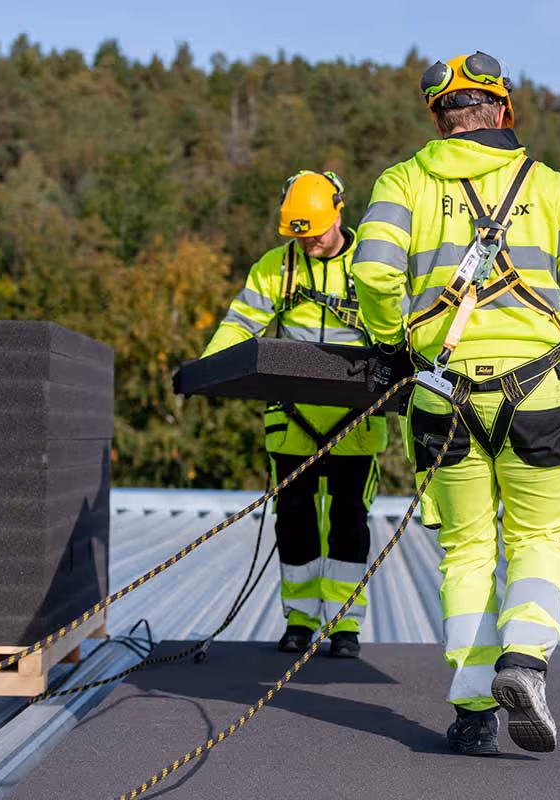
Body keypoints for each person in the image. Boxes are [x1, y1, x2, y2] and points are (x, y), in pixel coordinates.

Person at [351, 52, 560, 754]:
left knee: (466, 551)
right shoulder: (554, 189)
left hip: (443, 397)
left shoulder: (403, 182)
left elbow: (374, 269)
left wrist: (386, 346)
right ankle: (524, 662)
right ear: (502, 111)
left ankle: (473, 714)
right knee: (534, 541)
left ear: (438, 116)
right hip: (538, 392)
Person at [202, 170, 387, 659]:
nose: (308, 243)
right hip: (292, 423)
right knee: (295, 520)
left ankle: (345, 626)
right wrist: (207, 370)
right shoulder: (276, 268)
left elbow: (399, 329)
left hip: (356, 423)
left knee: (350, 521)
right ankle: (301, 621)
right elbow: (241, 323)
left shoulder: (370, 265)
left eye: (316, 233)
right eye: (299, 235)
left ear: (339, 213)